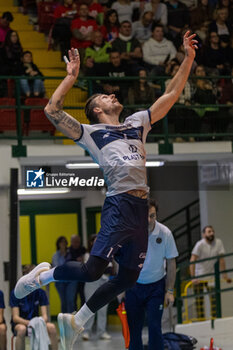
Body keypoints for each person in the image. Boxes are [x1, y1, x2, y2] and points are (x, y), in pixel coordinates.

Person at [14, 31, 197, 350]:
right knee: (91, 270)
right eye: (103, 96)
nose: (111, 95)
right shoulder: (91, 132)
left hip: (140, 211)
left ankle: (77, 320)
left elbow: (170, 94)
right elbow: (52, 112)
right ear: (96, 109)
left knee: (128, 278)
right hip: (119, 205)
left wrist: (189, 60)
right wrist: (70, 78)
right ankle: (43, 276)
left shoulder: (138, 122)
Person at [125, 199, 178, 350]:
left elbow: (171, 262)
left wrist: (169, 290)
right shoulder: (130, 233)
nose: (148, 220)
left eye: (152, 216)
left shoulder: (165, 233)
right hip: (133, 286)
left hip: (156, 287)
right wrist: (120, 286)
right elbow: (120, 259)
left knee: (155, 328)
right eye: (145, 216)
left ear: (156, 215)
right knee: (134, 331)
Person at [10, 265, 58, 350]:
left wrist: (36, 323)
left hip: (37, 323)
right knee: (21, 329)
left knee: (51, 327)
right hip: (22, 324)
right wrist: (30, 323)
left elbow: (45, 316)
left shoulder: (40, 293)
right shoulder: (16, 293)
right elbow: (15, 318)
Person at [190, 225, 232, 320]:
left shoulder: (218, 242)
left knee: (214, 299)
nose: (212, 233)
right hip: (199, 276)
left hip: (211, 276)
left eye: (212, 231)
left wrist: (225, 276)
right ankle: (201, 320)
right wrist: (193, 278)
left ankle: (215, 319)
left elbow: (222, 260)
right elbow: (192, 261)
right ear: (204, 234)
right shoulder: (199, 244)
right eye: (209, 232)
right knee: (199, 301)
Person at [82, 234, 113, 341]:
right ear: (91, 243)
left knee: (103, 308)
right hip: (91, 282)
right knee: (89, 307)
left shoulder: (107, 252)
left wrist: (98, 268)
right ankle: (86, 332)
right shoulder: (87, 255)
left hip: (104, 281)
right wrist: (100, 268)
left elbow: (109, 270)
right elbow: (89, 269)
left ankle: (102, 332)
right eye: (94, 240)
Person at [65, 235, 87, 310]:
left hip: (82, 278)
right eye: (74, 242)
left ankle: (82, 315)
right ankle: (74, 314)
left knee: (83, 296)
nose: (76, 244)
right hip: (72, 278)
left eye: (78, 242)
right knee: (72, 298)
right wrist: (76, 262)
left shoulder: (83, 249)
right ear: (71, 242)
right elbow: (67, 263)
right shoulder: (68, 250)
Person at [52, 236, 69, 313]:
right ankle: (64, 320)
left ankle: (72, 321)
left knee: (70, 300)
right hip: (59, 281)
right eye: (61, 242)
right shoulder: (55, 255)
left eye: (64, 242)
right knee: (63, 301)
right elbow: (57, 267)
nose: (63, 244)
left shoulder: (70, 253)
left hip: (70, 280)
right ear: (58, 244)